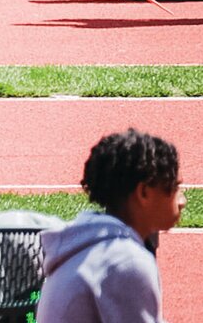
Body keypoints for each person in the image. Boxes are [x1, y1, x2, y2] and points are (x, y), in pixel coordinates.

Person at [38, 129, 184, 323]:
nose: (182, 200)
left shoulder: (89, 246)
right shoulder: (125, 262)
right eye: (174, 186)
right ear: (144, 192)